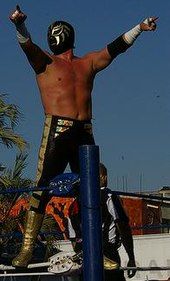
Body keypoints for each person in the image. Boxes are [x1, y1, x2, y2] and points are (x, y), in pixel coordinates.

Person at [9, 4, 158, 267]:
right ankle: (28, 247)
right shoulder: (45, 62)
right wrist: (19, 24)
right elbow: (27, 47)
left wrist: (139, 28)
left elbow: (113, 50)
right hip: (58, 129)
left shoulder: (86, 63)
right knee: (42, 187)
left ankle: (95, 249)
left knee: (91, 192)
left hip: (84, 131)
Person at [99, 163, 136, 281]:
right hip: (108, 251)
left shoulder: (76, 200)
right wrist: (131, 257)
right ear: (103, 177)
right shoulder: (108, 196)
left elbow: (73, 235)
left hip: (84, 253)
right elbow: (123, 226)